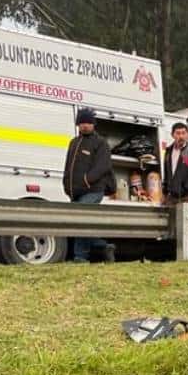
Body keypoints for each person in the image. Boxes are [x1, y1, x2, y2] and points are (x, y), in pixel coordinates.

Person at [62, 108, 115, 263]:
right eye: (82, 122)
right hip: (75, 192)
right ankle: (104, 246)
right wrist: (66, 183)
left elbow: (103, 166)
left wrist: (87, 179)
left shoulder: (100, 143)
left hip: (94, 190)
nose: (85, 126)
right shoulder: (74, 142)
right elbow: (68, 166)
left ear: (93, 124)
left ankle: (80, 257)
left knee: (80, 218)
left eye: (88, 122)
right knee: (78, 223)